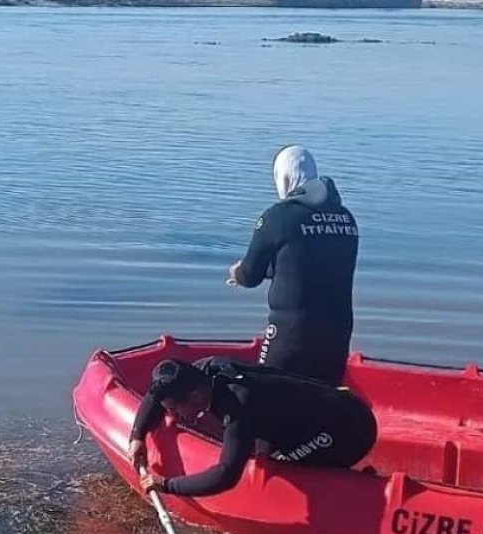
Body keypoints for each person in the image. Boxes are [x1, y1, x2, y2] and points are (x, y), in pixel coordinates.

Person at [128, 357, 377, 498]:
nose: (172, 415)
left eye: (174, 408)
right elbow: (155, 396)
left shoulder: (238, 406)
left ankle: (359, 489)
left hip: (349, 430)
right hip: (332, 407)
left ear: (194, 397)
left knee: (276, 466)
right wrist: (137, 435)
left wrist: (166, 485)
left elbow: (226, 476)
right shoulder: (204, 370)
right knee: (261, 446)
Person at [226, 145, 359, 386]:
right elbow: (303, 266)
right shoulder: (346, 219)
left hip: (291, 331)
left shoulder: (277, 218)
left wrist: (238, 272)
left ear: (283, 176)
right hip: (337, 332)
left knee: (266, 393)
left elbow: (251, 275)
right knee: (323, 397)